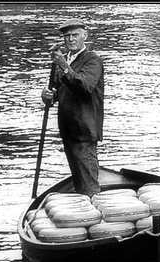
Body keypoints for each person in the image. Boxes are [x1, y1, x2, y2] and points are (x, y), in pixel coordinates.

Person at [41, 20, 104, 197]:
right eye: (67, 36)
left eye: (75, 35)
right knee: (79, 183)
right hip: (68, 130)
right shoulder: (63, 60)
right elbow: (57, 91)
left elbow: (84, 87)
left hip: (84, 130)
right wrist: (48, 96)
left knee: (89, 186)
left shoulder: (93, 60)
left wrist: (63, 66)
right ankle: (84, 210)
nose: (70, 39)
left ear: (85, 35)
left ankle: (94, 215)